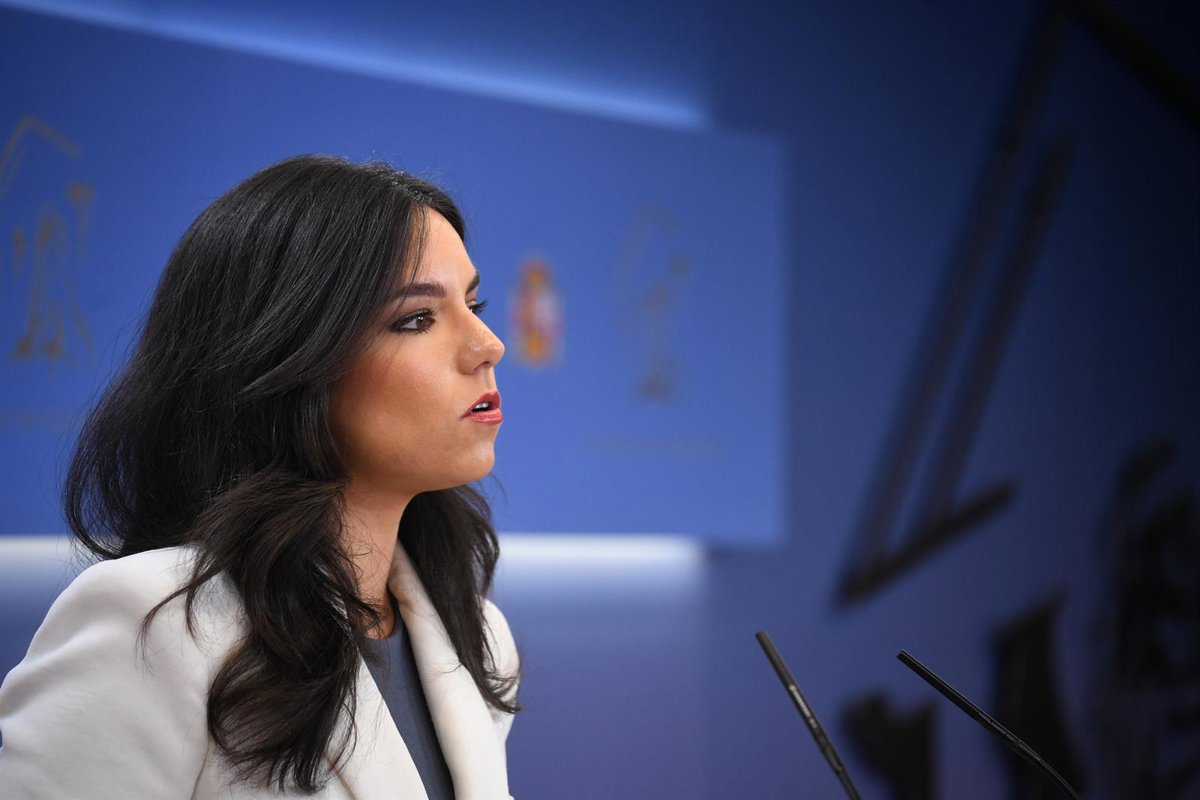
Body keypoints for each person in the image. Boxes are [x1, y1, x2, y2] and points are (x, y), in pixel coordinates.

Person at [0, 155, 520, 799]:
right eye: (416, 319)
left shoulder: (480, 638)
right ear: (290, 358)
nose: (488, 344)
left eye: (473, 303)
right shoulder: (154, 624)